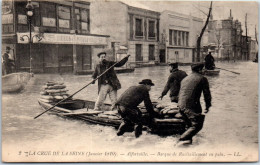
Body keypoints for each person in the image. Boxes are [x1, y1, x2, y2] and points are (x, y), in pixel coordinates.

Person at [177, 63, 212, 145]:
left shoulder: (185, 79)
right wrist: (208, 106)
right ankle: (180, 141)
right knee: (197, 125)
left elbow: (182, 93)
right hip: (190, 106)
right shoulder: (202, 78)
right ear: (199, 70)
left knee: (189, 126)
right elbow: (207, 95)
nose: (204, 70)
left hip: (181, 105)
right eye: (203, 69)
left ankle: (187, 144)